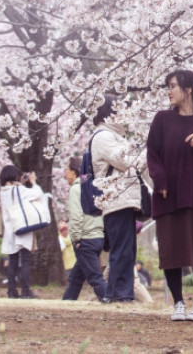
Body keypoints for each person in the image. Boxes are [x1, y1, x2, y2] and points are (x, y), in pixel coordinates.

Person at [147, 70, 193, 322]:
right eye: (168, 86)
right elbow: (153, 154)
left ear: (188, 89)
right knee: (171, 250)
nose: (169, 91)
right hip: (167, 193)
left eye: (173, 86)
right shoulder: (162, 119)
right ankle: (178, 303)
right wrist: (161, 181)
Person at [90, 95, 148, 305]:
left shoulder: (114, 136)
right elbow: (124, 161)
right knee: (122, 248)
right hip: (116, 198)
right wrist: (141, 154)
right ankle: (120, 294)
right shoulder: (103, 136)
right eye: (120, 110)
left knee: (125, 248)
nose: (125, 116)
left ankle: (116, 293)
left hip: (123, 198)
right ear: (110, 112)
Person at [61, 156, 108, 302]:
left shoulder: (76, 189)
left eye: (66, 170)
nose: (64, 173)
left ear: (74, 172)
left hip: (85, 239)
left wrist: (75, 238)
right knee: (77, 277)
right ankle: (67, 302)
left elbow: (76, 216)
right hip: (98, 237)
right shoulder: (93, 187)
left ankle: (110, 300)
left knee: (95, 277)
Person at [0, 166, 46, 299]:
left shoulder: (2, 192)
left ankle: (12, 291)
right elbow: (38, 194)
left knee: (12, 261)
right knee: (25, 260)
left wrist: (21, 184)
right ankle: (26, 291)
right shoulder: (20, 190)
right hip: (23, 228)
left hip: (10, 230)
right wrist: (33, 182)